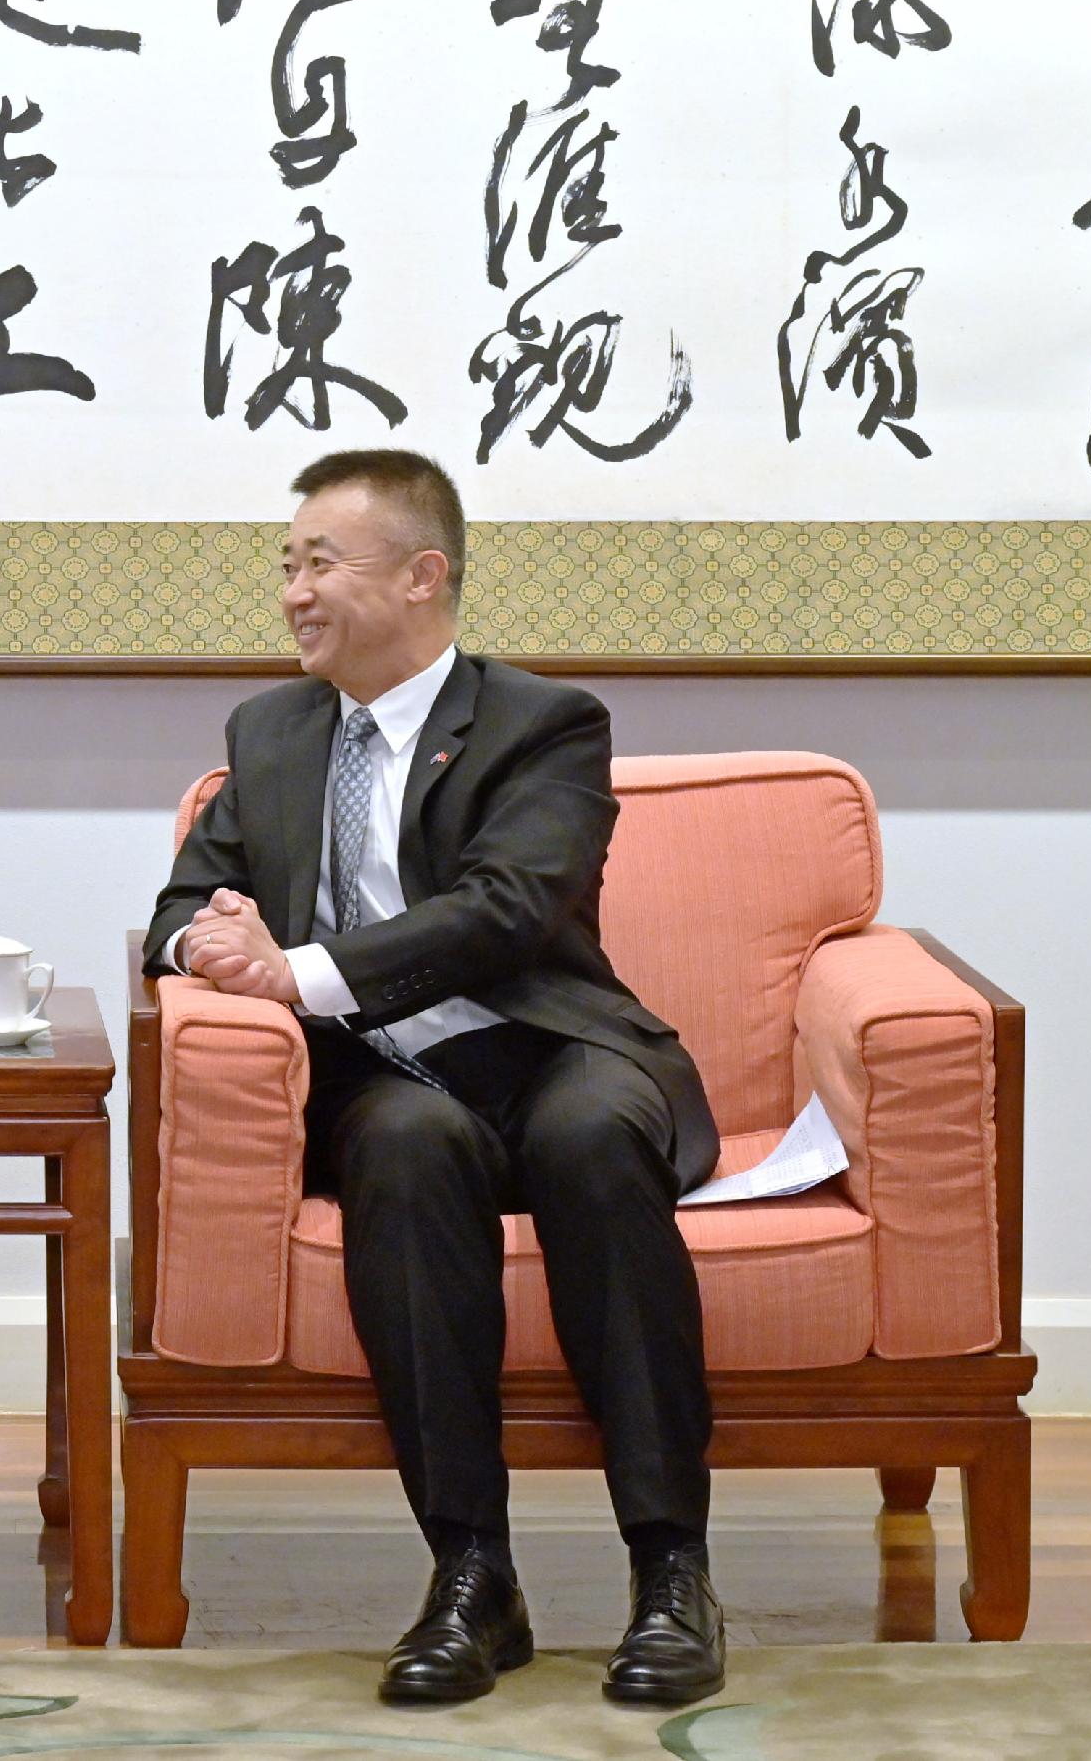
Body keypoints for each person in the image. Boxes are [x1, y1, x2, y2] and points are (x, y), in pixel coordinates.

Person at [142, 448, 725, 1709]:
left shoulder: (544, 723)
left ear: (421, 577)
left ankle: (670, 1569)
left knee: (592, 1140)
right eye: (286, 564)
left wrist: (295, 971)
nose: (294, 591)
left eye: (321, 564)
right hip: (388, 1077)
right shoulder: (271, 732)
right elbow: (181, 907)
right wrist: (208, 943)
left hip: (549, 1046)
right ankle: (472, 1577)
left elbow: (510, 909)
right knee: (402, 1150)